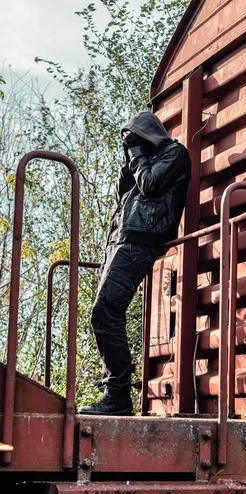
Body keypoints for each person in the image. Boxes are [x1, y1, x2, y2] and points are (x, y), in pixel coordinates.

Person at [78, 111, 191, 416]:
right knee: (102, 314)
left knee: (106, 312)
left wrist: (137, 154)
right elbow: (124, 194)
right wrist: (129, 160)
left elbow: (150, 185)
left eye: (134, 139)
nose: (131, 146)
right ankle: (114, 393)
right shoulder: (143, 158)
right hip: (121, 241)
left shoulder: (175, 153)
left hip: (141, 241)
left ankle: (117, 396)